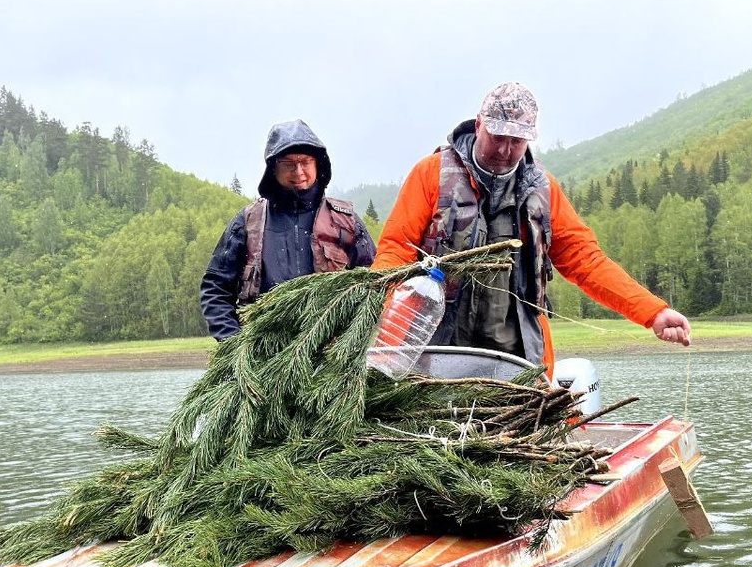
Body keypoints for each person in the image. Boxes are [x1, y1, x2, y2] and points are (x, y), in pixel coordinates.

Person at [371, 82, 691, 373]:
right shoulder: (430, 174)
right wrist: (366, 309)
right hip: (435, 351)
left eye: (516, 141)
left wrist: (653, 312)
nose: (504, 150)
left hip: (518, 358)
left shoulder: (543, 189)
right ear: (479, 125)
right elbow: (396, 252)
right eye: (497, 137)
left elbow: (586, 261)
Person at [201, 119, 376, 341]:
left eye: (305, 162)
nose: (298, 171)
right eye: (288, 164)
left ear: (318, 164)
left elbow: (374, 283)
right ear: (273, 168)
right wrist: (234, 345)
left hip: (330, 352)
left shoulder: (345, 221)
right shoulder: (248, 222)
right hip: (261, 351)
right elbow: (215, 288)